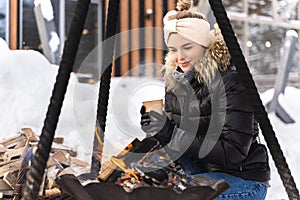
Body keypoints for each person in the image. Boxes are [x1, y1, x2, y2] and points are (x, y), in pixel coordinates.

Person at [140, 0, 270, 199]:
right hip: (199, 171)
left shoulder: (231, 82)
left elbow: (232, 153)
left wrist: (171, 133)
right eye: (173, 49)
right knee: (140, 182)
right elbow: (178, 139)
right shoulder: (175, 82)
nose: (179, 57)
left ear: (204, 46)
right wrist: (157, 130)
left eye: (187, 47)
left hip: (241, 178)